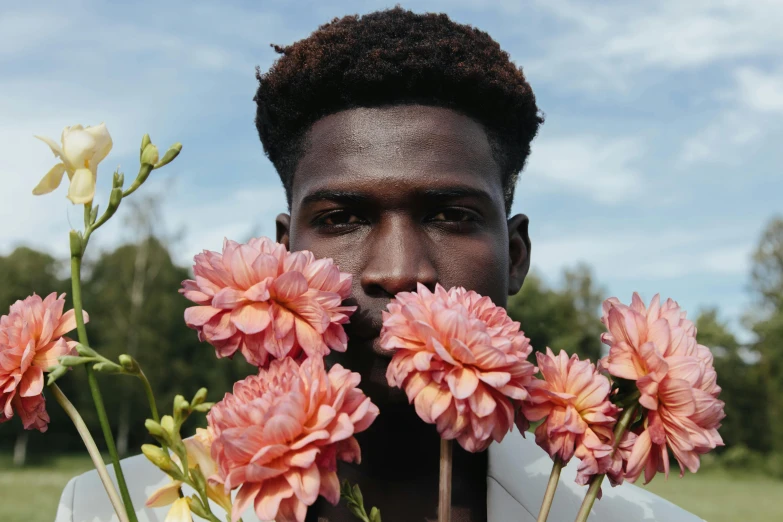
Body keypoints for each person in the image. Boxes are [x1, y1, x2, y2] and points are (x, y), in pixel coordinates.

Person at [56, 7, 703, 522]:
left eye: (449, 215)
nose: (399, 272)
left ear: (515, 257)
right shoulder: (112, 509)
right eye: (341, 218)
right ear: (283, 255)